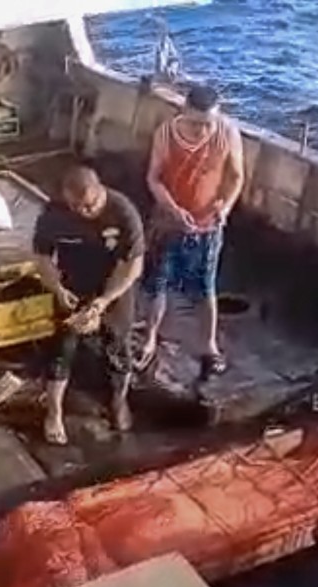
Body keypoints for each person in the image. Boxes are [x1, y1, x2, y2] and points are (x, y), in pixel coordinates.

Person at [138, 83, 244, 380]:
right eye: (196, 124)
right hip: (167, 222)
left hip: (208, 226)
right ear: (184, 112)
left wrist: (225, 206)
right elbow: (154, 178)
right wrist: (173, 210)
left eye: (208, 125)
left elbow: (236, 177)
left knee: (205, 287)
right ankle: (148, 339)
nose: (202, 132)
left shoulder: (228, 133)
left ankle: (209, 346)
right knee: (157, 283)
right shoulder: (166, 134)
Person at [34, 166, 145, 445]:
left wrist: (103, 302)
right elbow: (43, 257)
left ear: (101, 192)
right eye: (76, 206)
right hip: (71, 285)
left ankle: (118, 402)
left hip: (113, 287)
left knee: (118, 346)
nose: (83, 212)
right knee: (61, 349)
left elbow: (132, 265)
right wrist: (57, 288)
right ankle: (54, 413)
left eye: (90, 205)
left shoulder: (123, 212)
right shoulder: (53, 214)